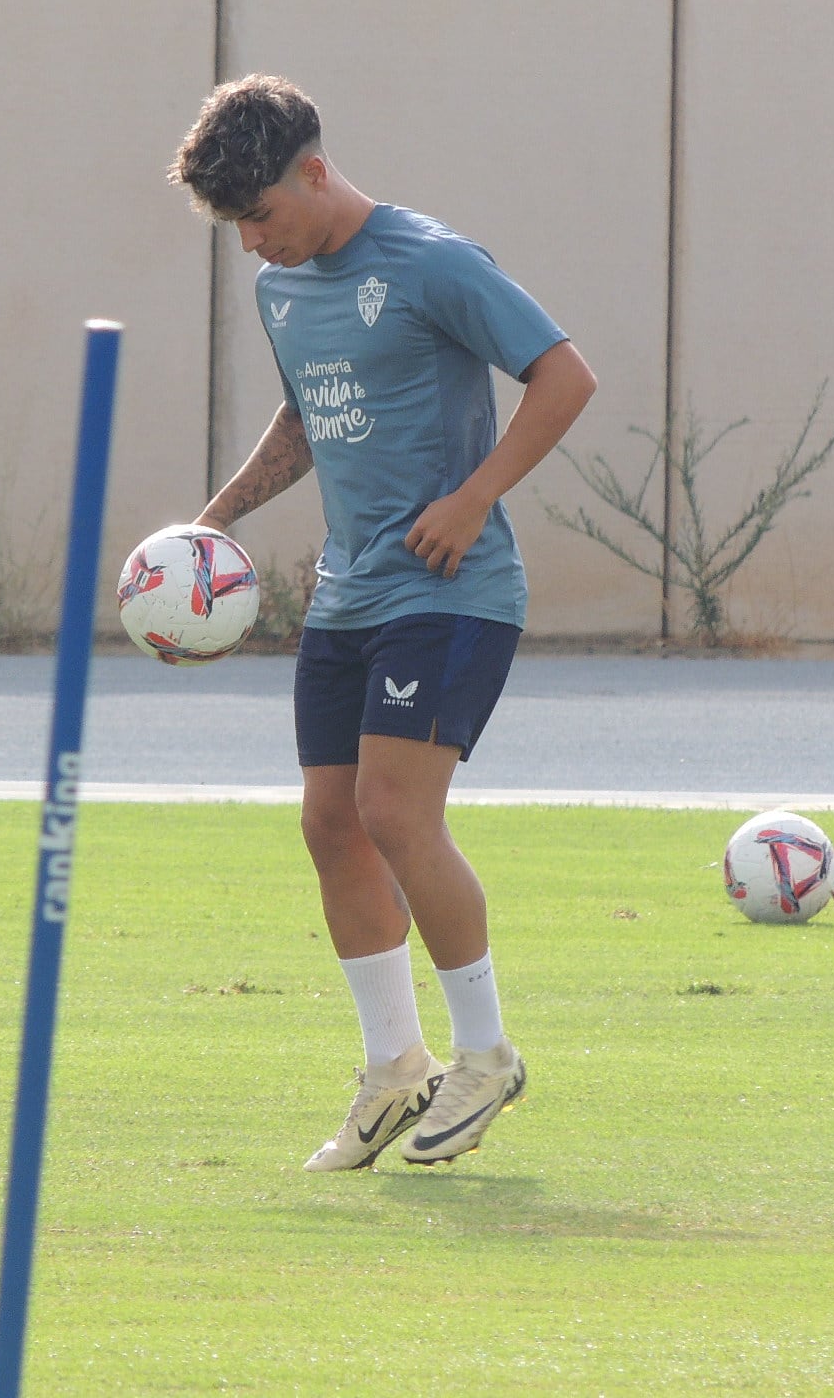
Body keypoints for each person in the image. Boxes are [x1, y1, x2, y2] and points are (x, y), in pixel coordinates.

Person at [168, 75, 597, 1168]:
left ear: (313, 171)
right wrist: (212, 524)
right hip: (348, 591)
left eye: (260, 215)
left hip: (452, 590)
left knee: (396, 813)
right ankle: (393, 1072)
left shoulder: (432, 262)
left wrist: (473, 496)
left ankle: (486, 1057)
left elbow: (564, 376)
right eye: (235, 228)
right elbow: (307, 417)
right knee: (330, 825)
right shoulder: (283, 290)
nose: (254, 243)